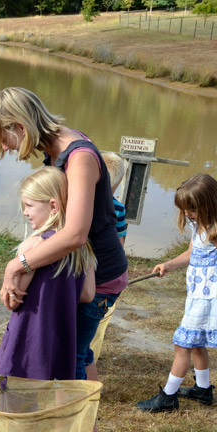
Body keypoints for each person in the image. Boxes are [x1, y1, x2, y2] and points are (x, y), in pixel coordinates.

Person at [0, 87, 128, 432]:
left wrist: (19, 263)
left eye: (6, 141)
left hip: (98, 273)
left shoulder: (78, 158)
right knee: (80, 353)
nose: (10, 150)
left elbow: (76, 233)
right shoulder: (56, 151)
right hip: (81, 272)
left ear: (19, 126)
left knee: (70, 358)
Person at [0, 167, 95, 432]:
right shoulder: (81, 246)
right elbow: (88, 294)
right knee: (42, 406)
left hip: (27, 342)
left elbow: (13, 300)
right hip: (59, 342)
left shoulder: (34, 245)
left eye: (28, 205)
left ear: (53, 206)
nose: (24, 212)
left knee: (9, 401)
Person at [136, 174, 217, 412]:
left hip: (209, 298)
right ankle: (202, 389)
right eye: (185, 209)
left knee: (183, 345)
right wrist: (169, 264)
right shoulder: (199, 226)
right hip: (197, 295)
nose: (187, 214)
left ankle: (168, 397)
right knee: (197, 344)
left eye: (192, 209)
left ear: (208, 204)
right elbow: (192, 253)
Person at [86, 151, 127, 365]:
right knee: (83, 345)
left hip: (98, 278)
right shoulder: (119, 207)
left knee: (79, 345)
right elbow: (120, 244)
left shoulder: (89, 205)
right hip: (109, 274)